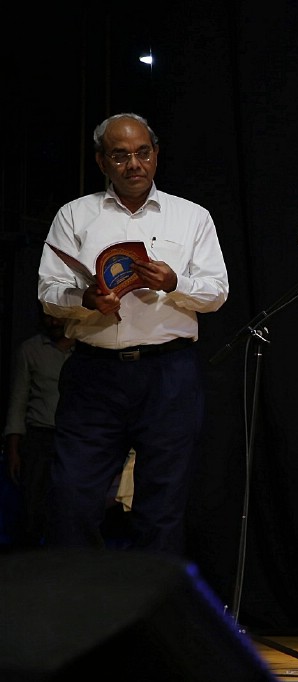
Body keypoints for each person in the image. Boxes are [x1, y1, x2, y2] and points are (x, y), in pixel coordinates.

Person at [37, 112, 229, 554]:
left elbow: (217, 292)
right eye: (120, 156)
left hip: (168, 374)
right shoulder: (74, 215)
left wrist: (173, 283)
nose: (134, 164)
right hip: (94, 374)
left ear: (156, 155)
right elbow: (48, 291)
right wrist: (85, 299)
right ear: (102, 162)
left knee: (161, 506)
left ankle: (149, 618)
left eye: (143, 153)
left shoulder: (191, 216)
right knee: (71, 499)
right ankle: (86, 614)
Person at [3, 306, 75, 547]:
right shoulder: (31, 350)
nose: (53, 322)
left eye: (58, 316)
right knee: (33, 505)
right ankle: (30, 563)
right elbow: (18, 402)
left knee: (70, 505)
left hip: (74, 438)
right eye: (48, 316)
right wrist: (13, 449)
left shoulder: (86, 351)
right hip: (40, 437)